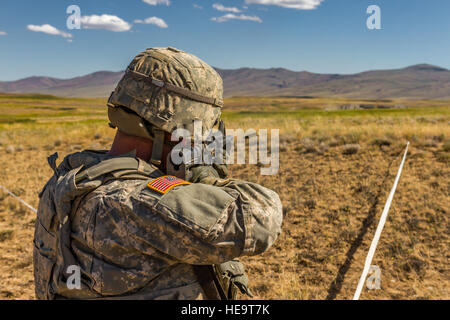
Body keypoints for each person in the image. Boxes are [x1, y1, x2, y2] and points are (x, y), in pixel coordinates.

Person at [33, 47, 283, 300]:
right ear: (177, 131)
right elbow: (262, 219)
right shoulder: (134, 202)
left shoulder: (76, 175)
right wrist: (205, 176)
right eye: (199, 134)